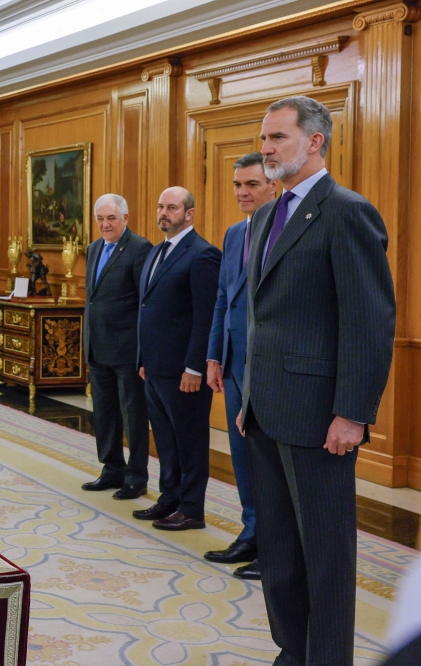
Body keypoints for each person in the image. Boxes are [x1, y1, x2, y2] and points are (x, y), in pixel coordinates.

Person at [240, 96, 395, 666]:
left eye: (277, 137)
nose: (266, 148)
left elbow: (368, 320)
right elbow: (262, 317)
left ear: (314, 141)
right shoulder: (264, 215)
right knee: (279, 549)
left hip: (319, 415)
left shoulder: (347, 212)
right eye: (264, 138)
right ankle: (293, 651)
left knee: (325, 555)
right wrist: (249, 396)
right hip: (265, 410)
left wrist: (352, 412)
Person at [203, 153, 278, 581]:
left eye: (251, 184)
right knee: (242, 454)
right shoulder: (234, 234)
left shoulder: (285, 229)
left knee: (269, 461)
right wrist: (214, 355)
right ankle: (251, 533)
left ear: (273, 185)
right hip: (233, 365)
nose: (242, 192)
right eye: (237, 184)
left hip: (268, 367)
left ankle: (275, 549)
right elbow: (223, 297)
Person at [133, 187, 220, 531]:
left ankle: (192, 509)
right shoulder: (157, 252)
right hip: (154, 368)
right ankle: (169, 498)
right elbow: (148, 309)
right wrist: (143, 359)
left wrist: (195, 366)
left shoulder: (203, 254)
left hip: (185, 371)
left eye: (172, 207)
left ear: (189, 214)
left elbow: (206, 316)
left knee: (190, 442)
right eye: (161, 206)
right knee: (166, 441)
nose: (164, 213)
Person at [80, 194, 153, 499]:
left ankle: (136, 477)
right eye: (100, 219)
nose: (105, 224)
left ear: (125, 218)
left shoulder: (140, 248)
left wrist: (143, 351)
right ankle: (111, 469)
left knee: (133, 416)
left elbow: (145, 302)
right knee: (104, 413)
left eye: (111, 218)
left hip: (126, 349)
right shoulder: (94, 248)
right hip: (97, 346)